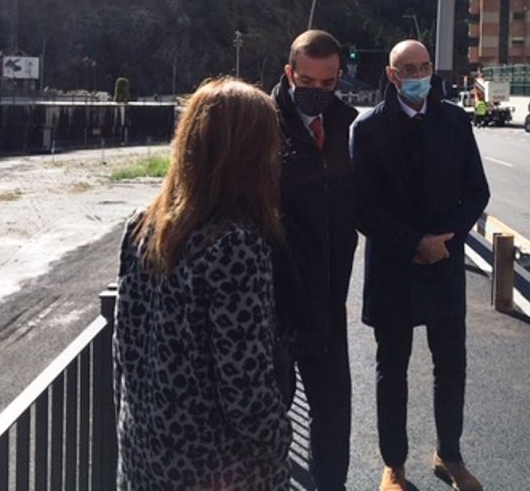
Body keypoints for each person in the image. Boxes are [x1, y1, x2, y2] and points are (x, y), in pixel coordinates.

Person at [113, 77, 290, 491]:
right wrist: (277, 439)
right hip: (217, 465)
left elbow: (124, 345)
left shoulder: (142, 225)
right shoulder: (236, 245)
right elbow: (244, 385)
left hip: (144, 449)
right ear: (250, 154)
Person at [350, 40, 490, 491]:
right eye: (408, 68)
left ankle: (449, 453)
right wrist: (414, 242)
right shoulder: (368, 129)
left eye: (424, 66)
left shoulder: (454, 120)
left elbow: (476, 191)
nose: (418, 74)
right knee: (392, 369)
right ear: (392, 75)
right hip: (394, 266)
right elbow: (362, 207)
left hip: (444, 262)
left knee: (452, 365)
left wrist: (443, 240)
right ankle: (394, 465)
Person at [270, 29, 358, 491]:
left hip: (327, 303)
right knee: (266, 418)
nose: (318, 94)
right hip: (273, 308)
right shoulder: (260, 124)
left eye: (328, 85)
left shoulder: (346, 124)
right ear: (289, 73)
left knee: (333, 416)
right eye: (307, 82)